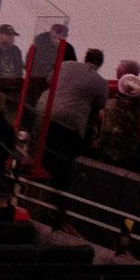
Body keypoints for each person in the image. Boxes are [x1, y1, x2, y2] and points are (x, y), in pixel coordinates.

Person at [46, 47, 107, 184]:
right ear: (100, 64)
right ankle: (57, 188)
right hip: (74, 124)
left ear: (85, 58)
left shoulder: (65, 65)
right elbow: (100, 104)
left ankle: (43, 180)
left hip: (52, 115)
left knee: (48, 152)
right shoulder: (100, 82)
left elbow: (49, 80)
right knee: (64, 159)